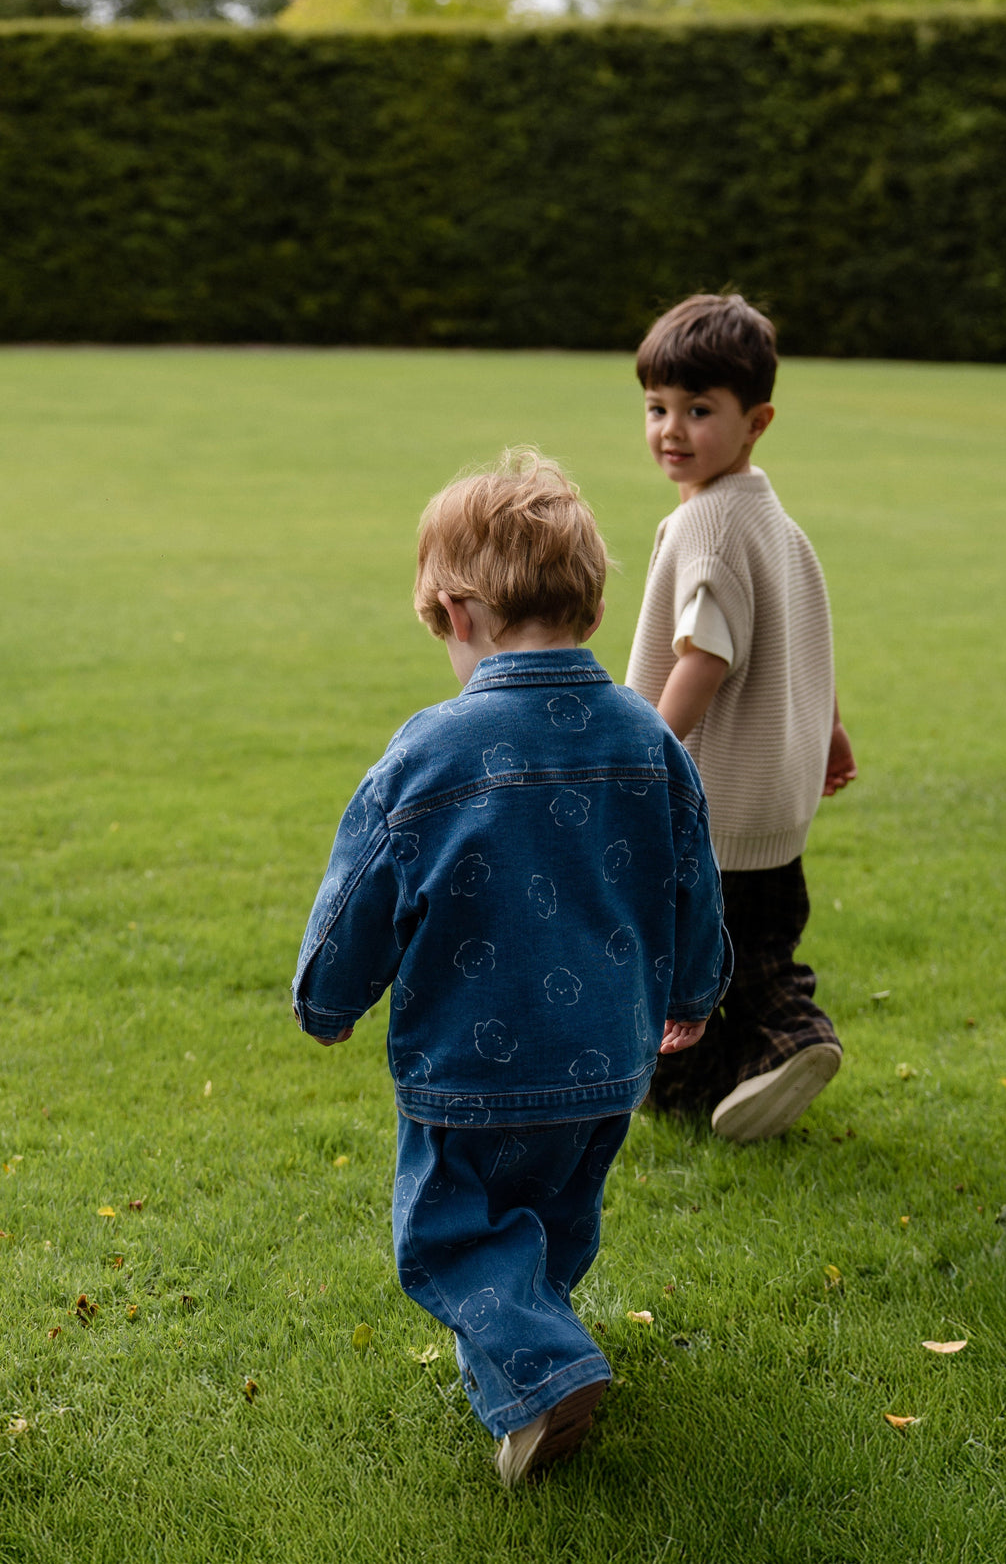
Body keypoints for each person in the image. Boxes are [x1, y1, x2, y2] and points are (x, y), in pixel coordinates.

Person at [293, 450, 730, 1486]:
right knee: (549, 1222)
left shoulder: (428, 750)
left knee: (447, 1234)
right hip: (607, 1060)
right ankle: (532, 1394)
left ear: (454, 612)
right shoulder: (645, 735)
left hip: (471, 1067)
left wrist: (328, 995)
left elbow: (364, 888)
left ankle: (544, 1367)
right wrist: (695, 993)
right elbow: (692, 878)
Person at [624, 292, 857, 1142]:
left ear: (755, 421)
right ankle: (783, 1043)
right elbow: (806, 639)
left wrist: (648, 747)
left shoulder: (713, 526)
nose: (671, 430)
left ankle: (749, 1063)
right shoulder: (774, 521)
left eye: (699, 410)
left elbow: (706, 658)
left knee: (677, 973)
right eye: (657, 407)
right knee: (760, 954)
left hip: (712, 808)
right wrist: (830, 728)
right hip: (776, 806)